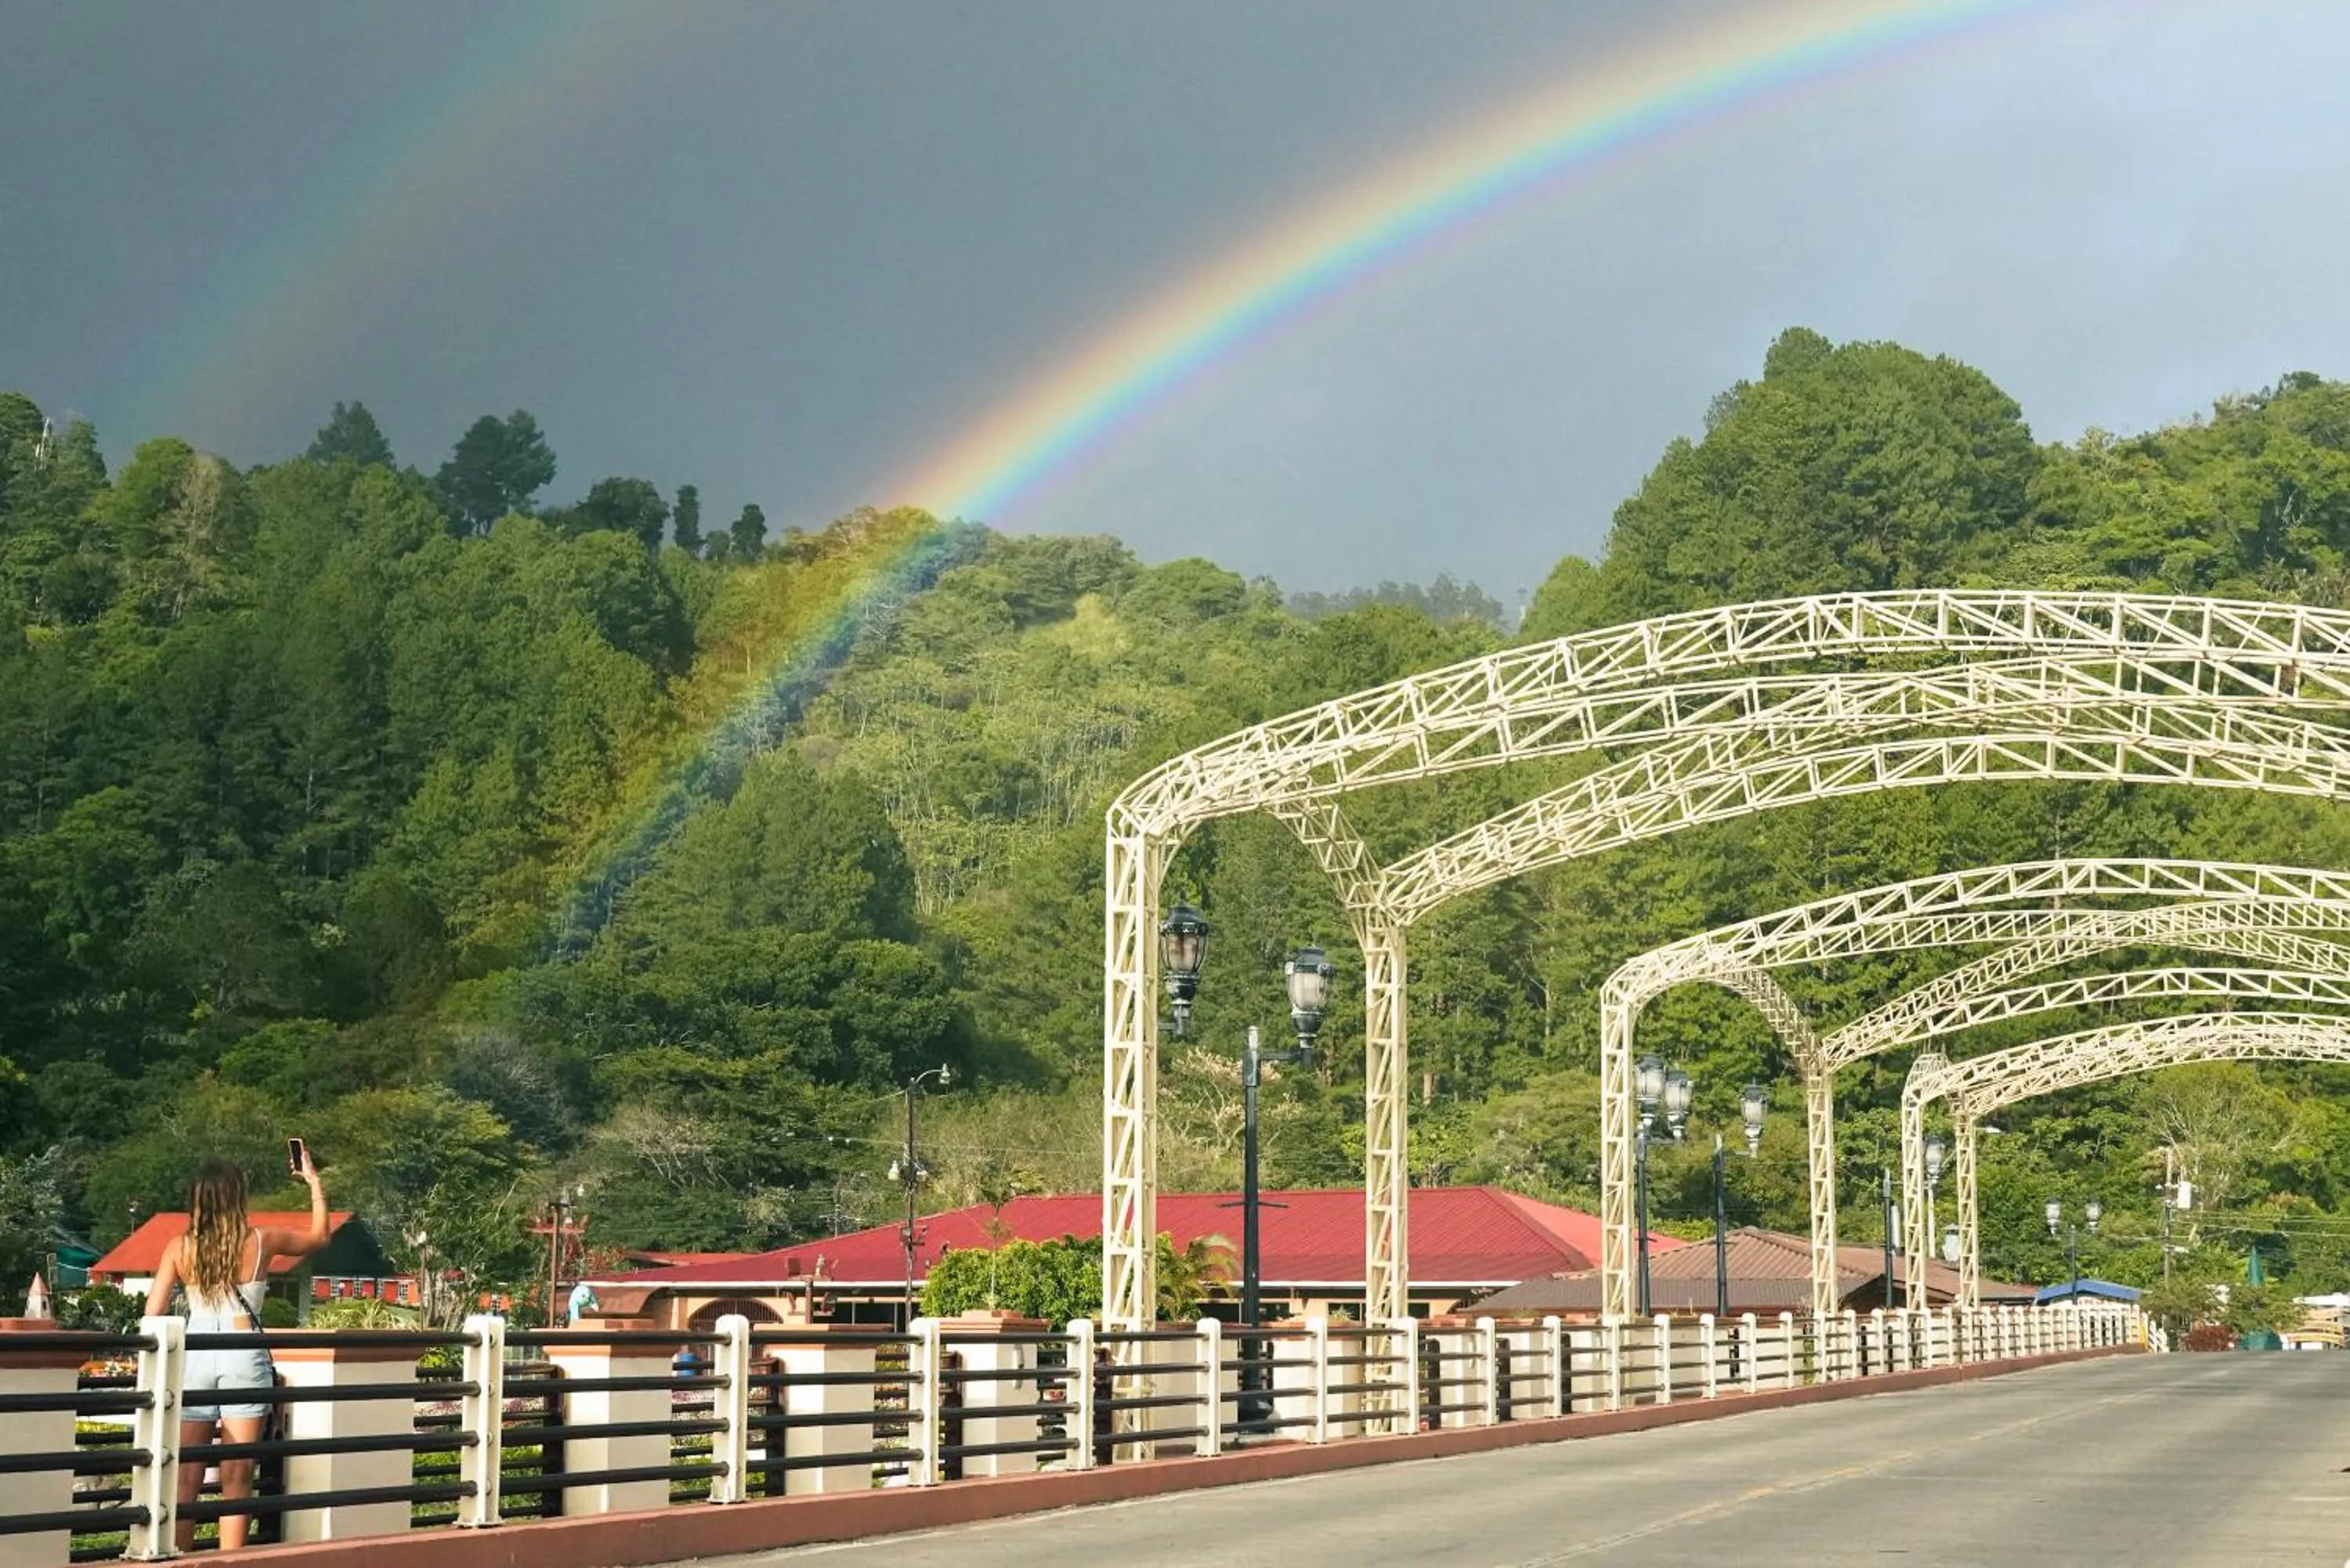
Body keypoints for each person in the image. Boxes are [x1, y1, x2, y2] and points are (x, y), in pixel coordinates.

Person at [143, 1151, 329, 1552]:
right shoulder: (262, 1240)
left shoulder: (180, 1247)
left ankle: (179, 1559)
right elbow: (318, 1238)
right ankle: (231, 1561)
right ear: (237, 1198)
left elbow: (153, 1312)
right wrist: (313, 1182)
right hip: (244, 1356)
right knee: (237, 1474)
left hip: (194, 1357)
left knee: (187, 1476)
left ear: (198, 1201)